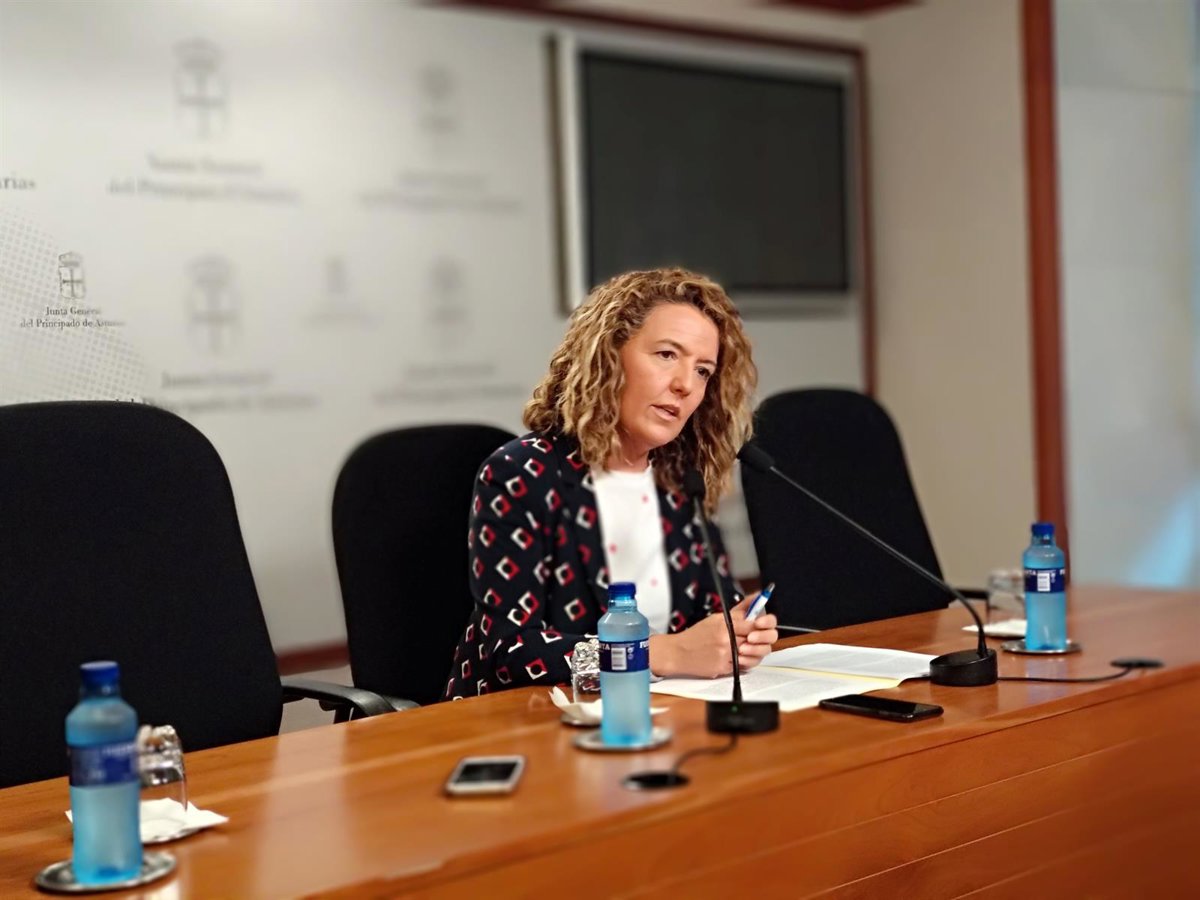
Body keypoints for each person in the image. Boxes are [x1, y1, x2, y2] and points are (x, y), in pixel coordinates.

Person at [444, 268, 777, 700]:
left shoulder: (681, 480)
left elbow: (715, 611)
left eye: (702, 371)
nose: (684, 385)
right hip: (533, 718)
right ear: (608, 355)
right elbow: (508, 652)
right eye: (666, 355)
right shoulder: (522, 472)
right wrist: (662, 653)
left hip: (664, 710)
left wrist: (739, 634)